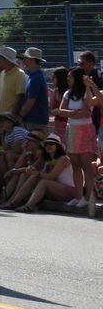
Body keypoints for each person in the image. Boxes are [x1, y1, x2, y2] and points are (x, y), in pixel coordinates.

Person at [0, 134, 74, 213]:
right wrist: (14, 171)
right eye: (46, 144)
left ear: (58, 146)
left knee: (43, 181)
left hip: (70, 191)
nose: (48, 146)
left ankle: (29, 206)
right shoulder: (47, 157)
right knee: (31, 176)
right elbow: (30, 168)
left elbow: (52, 176)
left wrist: (37, 173)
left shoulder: (64, 159)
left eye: (52, 144)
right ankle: (14, 202)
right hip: (55, 189)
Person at [57, 68, 99, 208]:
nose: (68, 79)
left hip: (85, 130)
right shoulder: (68, 93)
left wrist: (88, 86)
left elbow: (87, 112)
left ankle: (88, 197)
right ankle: (78, 196)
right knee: (75, 164)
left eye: (70, 77)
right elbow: (61, 111)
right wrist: (74, 113)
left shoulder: (86, 92)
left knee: (86, 165)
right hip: (72, 130)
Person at [17, 48, 50, 133]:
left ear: (31, 60)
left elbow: (31, 100)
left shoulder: (36, 78)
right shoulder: (33, 76)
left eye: (25, 58)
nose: (23, 60)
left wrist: (20, 115)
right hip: (32, 119)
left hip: (36, 121)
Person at [0, 47, 27, 117]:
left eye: (0, 57)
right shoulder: (2, 73)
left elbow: (20, 98)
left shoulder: (19, 75)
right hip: (1, 117)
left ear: (7, 60)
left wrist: (10, 115)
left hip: (11, 119)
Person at [49, 66, 69, 140]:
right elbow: (50, 110)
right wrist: (55, 111)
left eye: (54, 77)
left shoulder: (70, 91)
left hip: (69, 124)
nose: (52, 79)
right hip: (58, 124)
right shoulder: (55, 91)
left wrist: (61, 110)